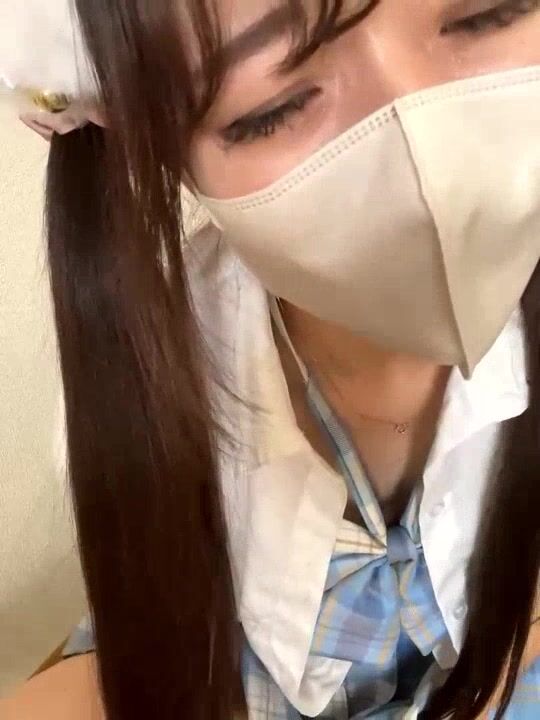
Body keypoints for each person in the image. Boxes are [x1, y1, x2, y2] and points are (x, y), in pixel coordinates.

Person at [0, 0, 539, 718]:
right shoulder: (159, 393)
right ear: (162, 152)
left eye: (487, 13)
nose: (432, 157)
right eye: (271, 108)